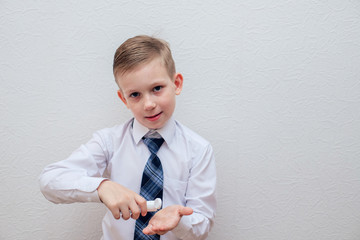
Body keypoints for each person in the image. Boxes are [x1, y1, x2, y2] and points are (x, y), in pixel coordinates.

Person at [39, 35, 216, 240]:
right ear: (123, 98)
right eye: (135, 95)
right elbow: (49, 181)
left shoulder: (199, 150)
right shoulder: (109, 142)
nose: (148, 104)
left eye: (157, 88)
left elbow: (202, 225)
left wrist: (179, 221)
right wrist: (101, 187)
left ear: (176, 84)